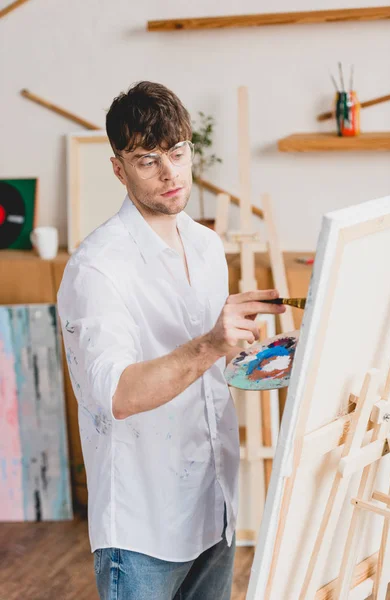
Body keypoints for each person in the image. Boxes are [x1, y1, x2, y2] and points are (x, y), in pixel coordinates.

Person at [57, 81, 285, 600]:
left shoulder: (206, 246)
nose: (170, 174)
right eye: (147, 160)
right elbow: (114, 394)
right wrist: (209, 344)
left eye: (178, 153)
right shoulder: (96, 269)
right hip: (144, 527)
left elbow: (211, 366)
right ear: (119, 169)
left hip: (214, 504)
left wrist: (262, 354)